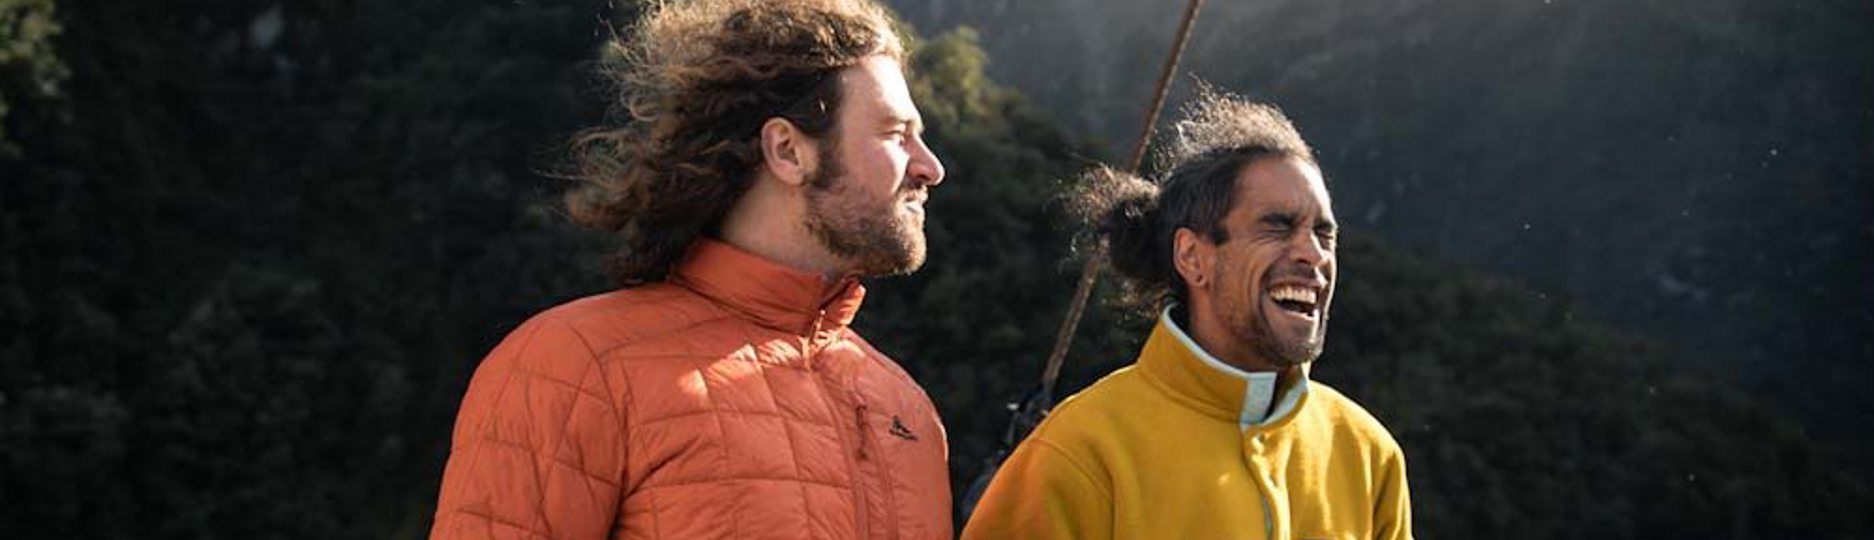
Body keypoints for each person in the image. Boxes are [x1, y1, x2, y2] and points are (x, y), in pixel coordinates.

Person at [427, 1, 952, 538]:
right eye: (895, 133)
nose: (930, 166)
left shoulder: (906, 408)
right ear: (789, 151)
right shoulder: (574, 367)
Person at [962, 89, 1414, 539]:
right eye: (1277, 226)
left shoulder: (1369, 455)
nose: (1313, 254)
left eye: (1323, 233)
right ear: (1193, 257)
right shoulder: (1080, 452)